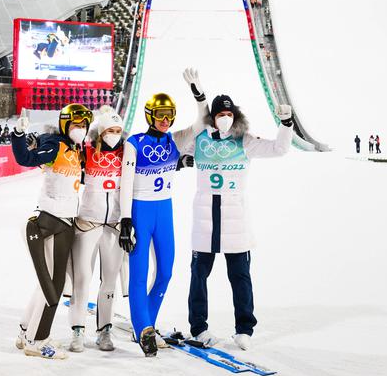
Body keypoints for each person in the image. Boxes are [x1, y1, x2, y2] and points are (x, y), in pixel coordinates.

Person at [174, 71, 293, 351]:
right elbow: (177, 147)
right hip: (205, 220)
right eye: (219, 114)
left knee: (240, 275)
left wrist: (286, 123)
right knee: (198, 275)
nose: (225, 118)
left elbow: (278, 149)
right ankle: (198, 327)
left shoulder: (245, 140)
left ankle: (244, 328)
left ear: (235, 115)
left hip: (235, 219)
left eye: (229, 113)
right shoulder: (200, 139)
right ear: (212, 117)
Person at [118, 86, 204, 357]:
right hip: (140, 211)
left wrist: (199, 97)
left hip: (164, 210)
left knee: (165, 272)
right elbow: (126, 184)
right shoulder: (134, 143)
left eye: (169, 116)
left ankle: (146, 327)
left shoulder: (174, 141)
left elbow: (201, 124)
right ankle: (142, 326)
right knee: (139, 273)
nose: (165, 120)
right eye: (160, 115)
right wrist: (125, 220)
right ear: (149, 115)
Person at [11, 105, 89, 360]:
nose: (81, 129)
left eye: (84, 125)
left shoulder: (77, 151)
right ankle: (38, 340)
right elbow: (26, 159)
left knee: (48, 285)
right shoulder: (56, 145)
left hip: (64, 223)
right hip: (46, 223)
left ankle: (26, 332)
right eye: (76, 124)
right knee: (52, 287)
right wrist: (19, 136)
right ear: (65, 124)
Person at [68, 105, 127, 353]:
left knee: (109, 282)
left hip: (113, 225)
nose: (113, 134)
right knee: (82, 279)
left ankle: (105, 331)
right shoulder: (87, 150)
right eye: (109, 130)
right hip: (88, 223)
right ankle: (77, 331)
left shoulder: (127, 152)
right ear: (100, 132)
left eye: (117, 130)